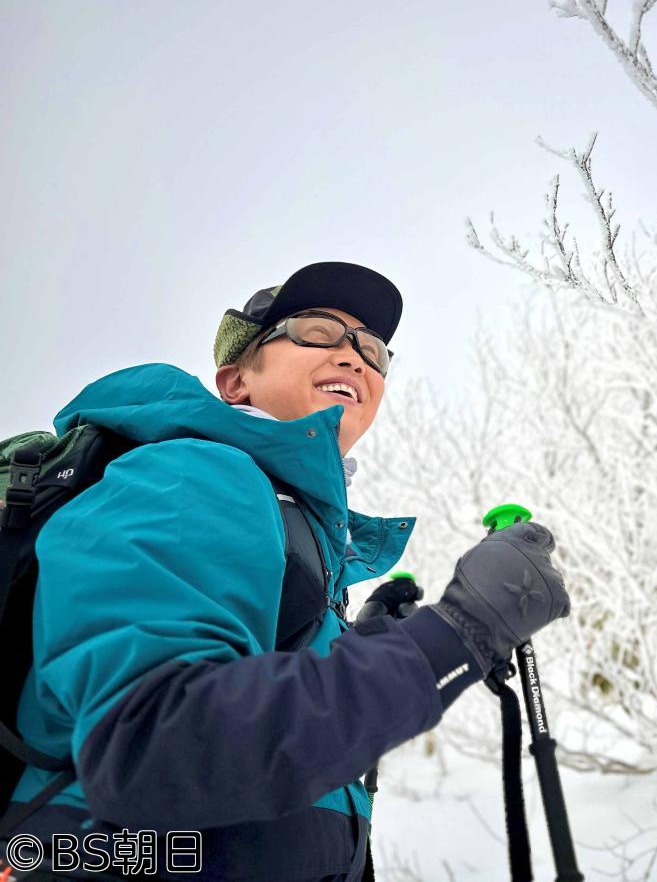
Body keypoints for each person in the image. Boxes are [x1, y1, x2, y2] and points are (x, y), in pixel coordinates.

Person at [4, 262, 570, 880]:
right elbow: (154, 747)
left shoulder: (293, 524)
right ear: (236, 381)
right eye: (317, 332)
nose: (354, 356)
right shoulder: (194, 474)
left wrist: (362, 644)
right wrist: (457, 633)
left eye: (373, 351)